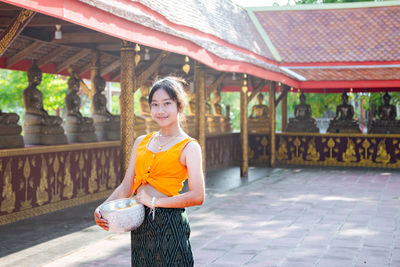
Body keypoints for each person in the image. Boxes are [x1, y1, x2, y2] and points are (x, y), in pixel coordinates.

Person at [94, 76, 205, 266]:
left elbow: (198, 196)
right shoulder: (142, 142)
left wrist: (155, 201)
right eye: (155, 104)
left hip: (170, 224)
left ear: (179, 105)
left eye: (166, 103)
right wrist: (102, 209)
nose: (160, 110)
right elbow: (126, 185)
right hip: (140, 223)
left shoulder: (189, 147)